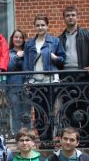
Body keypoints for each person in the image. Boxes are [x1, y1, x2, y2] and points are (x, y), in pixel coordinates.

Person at [58, 6, 89, 145]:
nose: (70, 17)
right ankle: (71, 139)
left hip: (82, 75)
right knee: (68, 108)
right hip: (65, 76)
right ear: (64, 18)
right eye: (67, 15)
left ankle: (86, 138)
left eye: (73, 15)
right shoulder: (60, 38)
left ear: (77, 16)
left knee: (84, 106)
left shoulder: (87, 35)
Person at [23, 14, 65, 143]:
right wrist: (27, 79)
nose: (40, 27)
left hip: (50, 80)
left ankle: (50, 139)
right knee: (38, 111)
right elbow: (26, 63)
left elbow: (62, 60)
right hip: (35, 81)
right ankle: (42, 139)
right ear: (34, 26)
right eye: (38, 25)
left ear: (47, 26)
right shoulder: (29, 43)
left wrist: (55, 58)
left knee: (50, 110)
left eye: (42, 25)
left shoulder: (55, 41)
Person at [7, 28, 29, 134]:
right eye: (16, 37)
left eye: (21, 37)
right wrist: (17, 57)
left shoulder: (28, 52)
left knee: (26, 114)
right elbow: (7, 68)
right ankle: (17, 136)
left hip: (27, 86)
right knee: (16, 113)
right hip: (13, 87)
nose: (18, 39)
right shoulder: (8, 53)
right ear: (12, 39)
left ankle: (28, 137)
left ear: (24, 39)